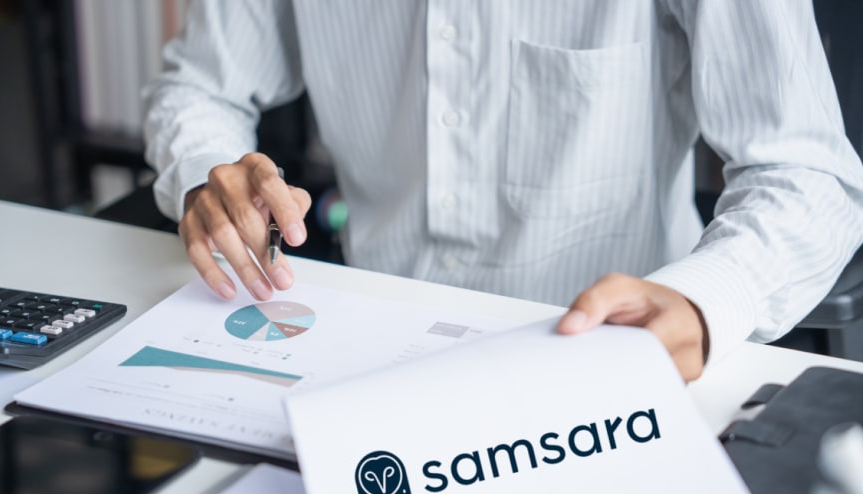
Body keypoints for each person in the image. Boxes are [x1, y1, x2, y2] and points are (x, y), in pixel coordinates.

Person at [144, 1, 863, 382]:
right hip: (361, 351)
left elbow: (809, 175)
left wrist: (706, 300)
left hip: (609, 365)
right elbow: (199, 85)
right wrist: (208, 170)